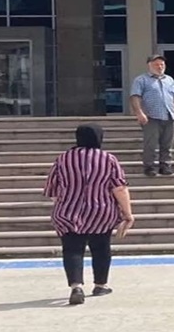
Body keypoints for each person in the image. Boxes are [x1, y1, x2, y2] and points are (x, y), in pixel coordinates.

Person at [43, 125, 135, 306]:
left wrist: (66, 201)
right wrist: (128, 214)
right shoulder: (108, 159)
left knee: (72, 250)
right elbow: (119, 188)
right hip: (101, 212)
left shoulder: (63, 159)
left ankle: (76, 287)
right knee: (101, 248)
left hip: (68, 212)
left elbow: (52, 190)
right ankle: (100, 285)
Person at [129, 54, 174, 178]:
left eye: (162, 65)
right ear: (149, 65)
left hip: (170, 116)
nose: (159, 67)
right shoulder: (141, 80)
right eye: (156, 65)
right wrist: (139, 113)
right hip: (151, 117)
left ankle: (165, 165)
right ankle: (149, 167)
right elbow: (135, 97)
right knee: (151, 144)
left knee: (167, 144)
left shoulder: (169, 80)